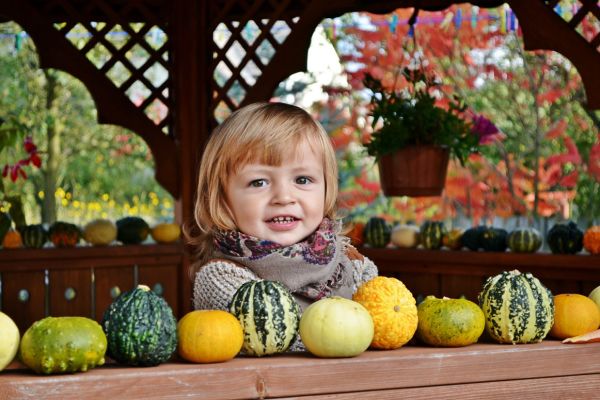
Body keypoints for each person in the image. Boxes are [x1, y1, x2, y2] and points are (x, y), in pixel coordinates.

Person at [188, 101, 378, 315]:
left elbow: (386, 319)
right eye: (259, 182)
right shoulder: (221, 278)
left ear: (326, 188)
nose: (284, 197)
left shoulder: (351, 263)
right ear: (222, 199)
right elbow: (272, 334)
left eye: (303, 179)